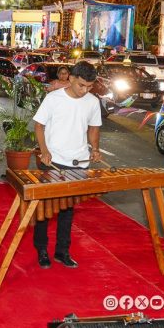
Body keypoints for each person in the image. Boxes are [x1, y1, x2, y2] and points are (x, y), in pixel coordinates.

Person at [34, 61, 102, 269]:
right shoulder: (53, 98)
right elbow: (39, 126)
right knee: (44, 208)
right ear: (71, 78)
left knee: (67, 210)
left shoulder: (92, 102)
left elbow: (94, 128)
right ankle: (42, 249)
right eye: (82, 85)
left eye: (89, 86)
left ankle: (62, 251)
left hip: (78, 162)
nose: (85, 90)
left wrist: (95, 148)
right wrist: (44, 150)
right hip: (52, 161)